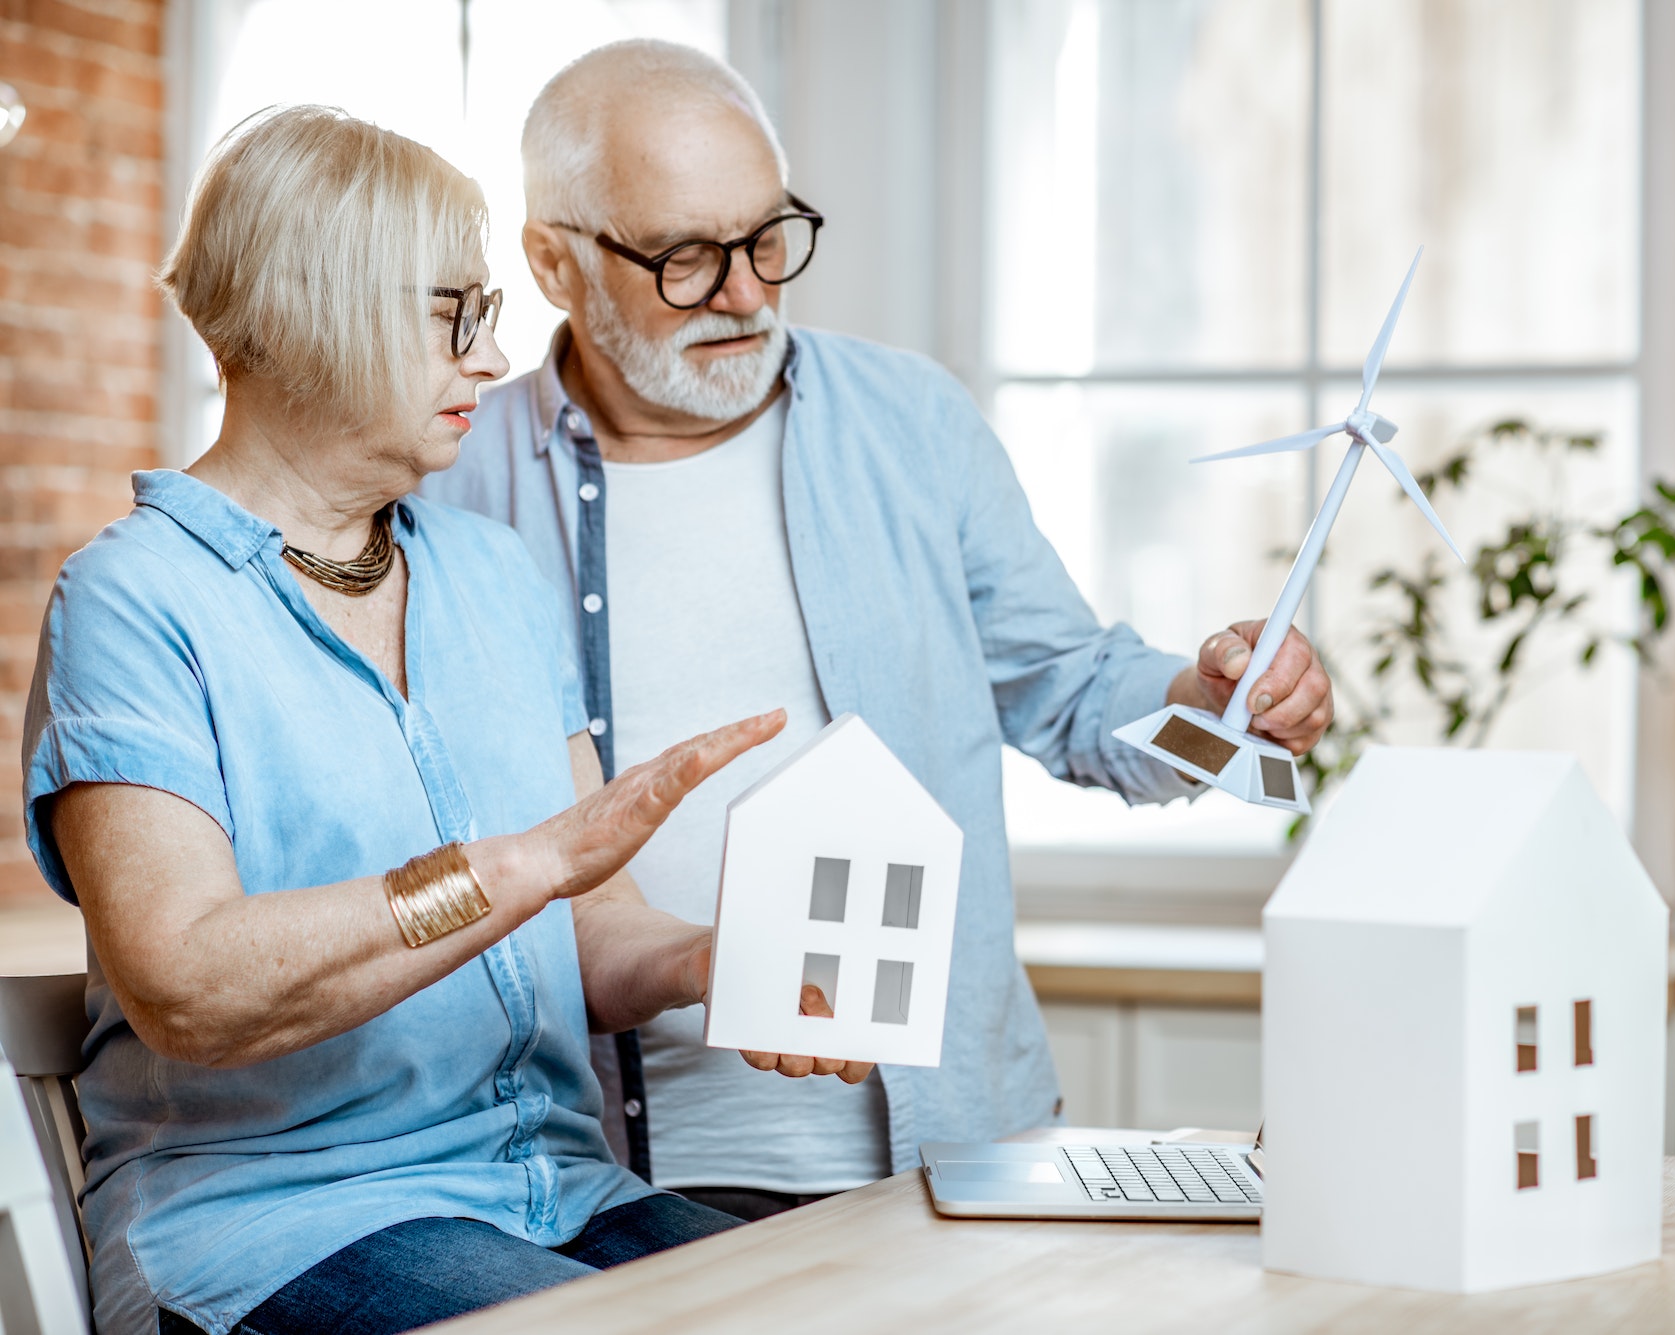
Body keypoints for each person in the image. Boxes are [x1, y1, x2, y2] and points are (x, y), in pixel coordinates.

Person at [422, 40, 1333, 1221]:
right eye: (689, 258)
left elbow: (1069, 689)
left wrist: (1217, 706)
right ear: (554, 260)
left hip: (944, 1149)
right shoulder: (445, 480)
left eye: (767, 238)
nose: (748, 293)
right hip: (600, 1180)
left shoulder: (910, 421)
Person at [21, 106, 863, 1335]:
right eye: (455, 313)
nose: (489, 357)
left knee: (857, 1309)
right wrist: (519, 866)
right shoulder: (135, 599)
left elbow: (583, 933)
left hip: (554, 1195)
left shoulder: (490, 573)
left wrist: (704, 963)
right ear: (324, 306)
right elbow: (188, 988)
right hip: (282, 1222)